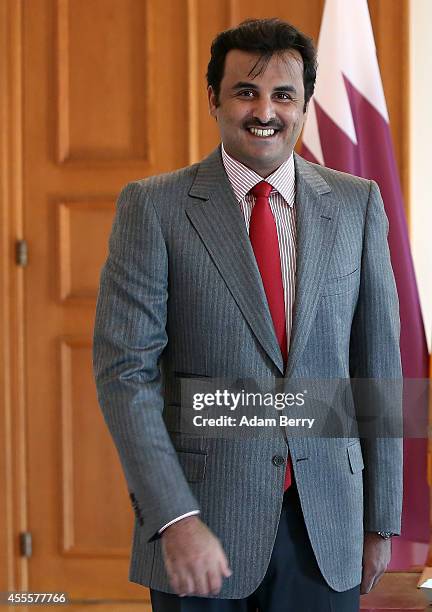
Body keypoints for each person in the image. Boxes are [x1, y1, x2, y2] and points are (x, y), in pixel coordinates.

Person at [93, 18, 402, 612]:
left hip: (328, 529)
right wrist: (172, 517)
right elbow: (125, 375)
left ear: (306, 105)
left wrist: (380, 520)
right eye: (245, 91)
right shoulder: (153, 208)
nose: (266, 110)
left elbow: (377, 369)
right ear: (214, 98)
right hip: (199, 528)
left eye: (283, 95)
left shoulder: (358, 204)